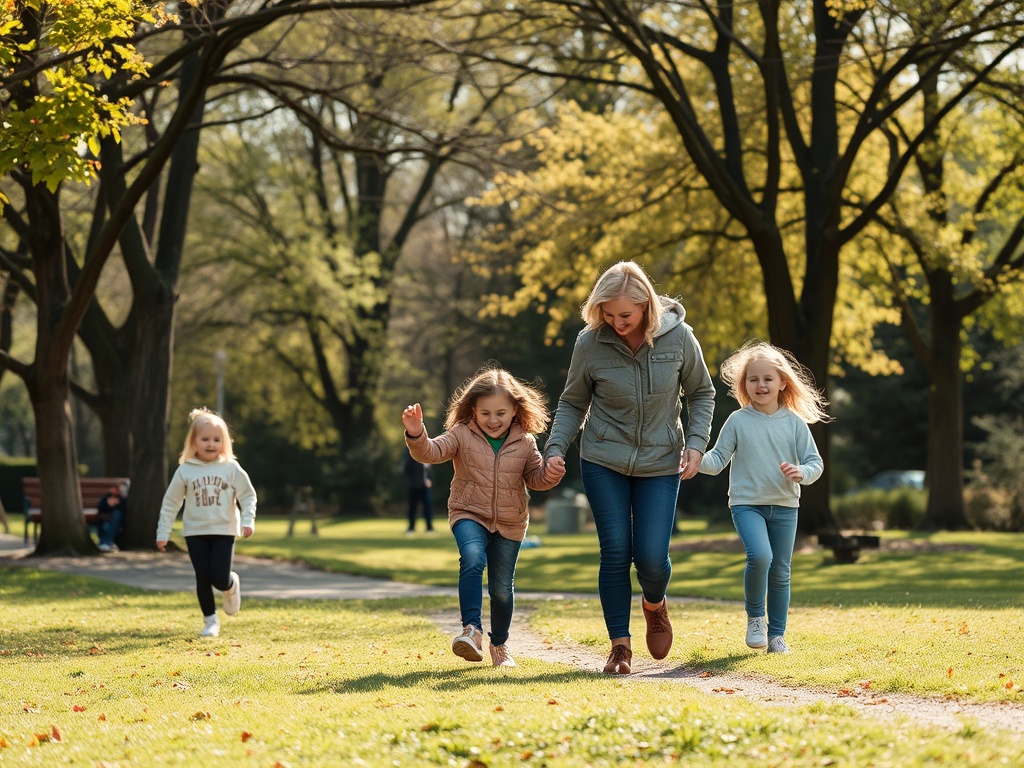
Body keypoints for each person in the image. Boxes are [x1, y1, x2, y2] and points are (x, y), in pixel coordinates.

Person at [543, 261, 716, 675]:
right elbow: (572, 402)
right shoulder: (590, 343)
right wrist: (554, 448)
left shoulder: (679, 339)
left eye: (625, 315)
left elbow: (702, 393)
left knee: (653, 558)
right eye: (608, 314)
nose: (616, 323)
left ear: (647, 308)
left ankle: (654, 605)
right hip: (604, 458)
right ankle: (620, 647)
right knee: (616, 552)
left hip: (661, 460)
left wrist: (695, 445)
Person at [402, 367, 565, 668]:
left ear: (515, 410)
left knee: (502, 589)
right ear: (473, 411)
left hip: (510, 522)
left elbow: (535, 478)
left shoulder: (525, 442)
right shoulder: (462, 434)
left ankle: (499, 646)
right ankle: (471, 631)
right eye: (485, 412)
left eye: (501, 413)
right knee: (473, 557)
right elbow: (431, 452)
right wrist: (416, 432)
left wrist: (551, 475)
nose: (493, 420)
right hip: (468, 513)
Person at [698, 340, 828, 655]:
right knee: (760, 557)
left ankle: (777, 636)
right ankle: (756, 618)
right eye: (753, 379)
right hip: (747, 505)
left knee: (781, 570)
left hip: (785, 506)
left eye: (768, 379)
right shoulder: (738, 421)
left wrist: (802, 472)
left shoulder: (795, 423)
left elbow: (816, 463)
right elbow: (716, 461)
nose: (760, 385)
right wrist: (690, 460)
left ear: (783, 382)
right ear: (745, 385)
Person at [156, 407, 257, 639]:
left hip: (224, 530)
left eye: (217, 439)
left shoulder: (231, 468)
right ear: (193, 441)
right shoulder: (185, 471)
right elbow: (171, 503)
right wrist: (163, 531)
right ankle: (210, 621)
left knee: (219, 577)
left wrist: (248, 520)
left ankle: (230, 585)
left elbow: (248, 495)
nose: (211, 444)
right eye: (205, 439)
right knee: (202, 576)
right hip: (195, 532)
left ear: (224, 442)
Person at [402, 448, 434, 534]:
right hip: (413, 487)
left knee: (427, 507)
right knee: (412, 508)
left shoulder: (426, 460)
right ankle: (411, 528)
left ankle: (429, 528)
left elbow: (428, 472)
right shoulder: (410, 461)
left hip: (424, 487)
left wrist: (429, 480)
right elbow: (406, 472)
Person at [96, 480, 129, 552]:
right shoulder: (107, 497)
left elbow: (122, 508)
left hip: (117, 523)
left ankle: (106, 542)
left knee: (117, 515)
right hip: (105, 521)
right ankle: (104, 542)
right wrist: (109, 504)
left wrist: (116, 504)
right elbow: (100, 508)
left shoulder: (123, 500)